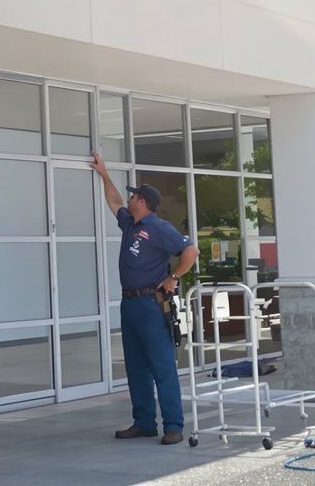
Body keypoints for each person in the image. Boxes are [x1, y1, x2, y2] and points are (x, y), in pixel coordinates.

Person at [90, 154, 199, 445]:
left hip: (152, 304)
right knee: (136, 367)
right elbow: (113, 201)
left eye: (133, 195)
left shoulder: (159, 227)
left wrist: (173, 278)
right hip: (130, 304)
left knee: (162, 366)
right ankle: (144, 422)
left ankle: (174, 425)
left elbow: (190, 252)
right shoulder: (130, 223)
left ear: (142, 201)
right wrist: (104, 174)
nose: (129, 199)